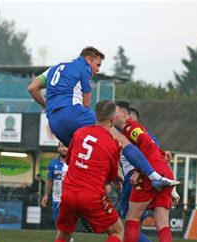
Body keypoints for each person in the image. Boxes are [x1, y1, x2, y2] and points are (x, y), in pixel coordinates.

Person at [27, 46, 177, 191]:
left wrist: (49, 108)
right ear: (88, 59)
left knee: (84, 154)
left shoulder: (54, 68)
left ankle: (93, 187)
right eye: (97, 65)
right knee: (119, 138)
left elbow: (32, 88)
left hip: (54, 122)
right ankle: (154, 176)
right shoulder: (83, 67)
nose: (97, 70)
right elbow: (86, 102)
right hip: (74, 113)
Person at [37, 101, 135, 242]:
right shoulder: (112, 143)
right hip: (91, 195)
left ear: (95, 115)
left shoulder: (80, 133)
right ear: (113, 119)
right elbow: (110, 175)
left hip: (68, 192)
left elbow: (71, 159)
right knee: (117, 231)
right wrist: (115, 178)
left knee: (63, 236)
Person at [112, 101, 177, 242]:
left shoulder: (130, 127)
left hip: (149, 176)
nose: (112, 117)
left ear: (125, 116)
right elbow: (160, 154)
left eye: (115, 114)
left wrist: (140, 171)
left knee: (132, 219)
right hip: (163, 172)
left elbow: (145, 147)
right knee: (162, 224)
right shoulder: (129, 131)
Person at [41, 142, 75, 242]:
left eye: (66, 146)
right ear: (58, 148)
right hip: (56, 198)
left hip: (70, 198)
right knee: (58, 224)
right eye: (61, 146)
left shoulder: (73, 163)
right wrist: (46, 195)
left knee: (63, 224)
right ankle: (68, 241)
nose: (64, 149)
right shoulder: (53, 164)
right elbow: (49, 180)